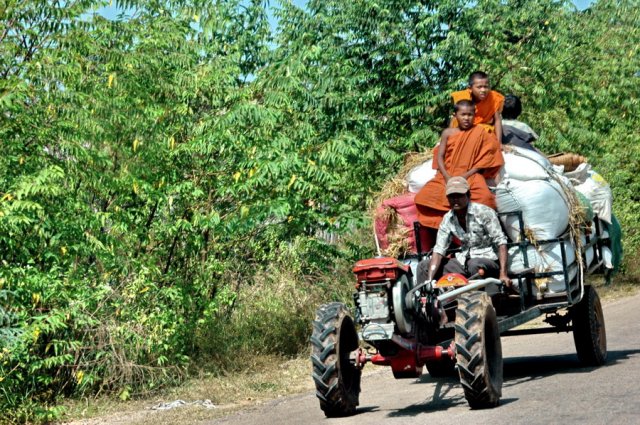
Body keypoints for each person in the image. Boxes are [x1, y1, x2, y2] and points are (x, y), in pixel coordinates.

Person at [415, 99, 504, 233]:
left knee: (484, 198)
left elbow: (485, 159)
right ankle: (447, 229)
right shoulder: (448, 133)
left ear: (474, 115)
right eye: (463, 114)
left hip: (471, 176)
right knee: (424, 196)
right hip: (447, 175)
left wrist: (465, 176)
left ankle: (476, 229)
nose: (466, 118)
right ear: (455, 115)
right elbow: (440, 156)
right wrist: (447, 176)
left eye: (470, 115)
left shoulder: (481, 133)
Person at [417, 177, 511, 289]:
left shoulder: (483, 212)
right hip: (463, 262)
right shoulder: (448, 218)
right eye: (452, 196)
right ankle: (426, 297)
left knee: (474, 264)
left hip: (487, 261)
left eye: (459, 196)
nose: (455, 200)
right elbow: (439, 250)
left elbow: (501, 242)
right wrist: (429, 281)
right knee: (423, 266)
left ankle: (479, 298)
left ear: (468, 195)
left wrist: (503, 274)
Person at [450, 71, 504, 142]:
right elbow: (454, 119)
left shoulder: (493, 98)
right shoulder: (462, 97)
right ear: (470, 88)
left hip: (483, 131)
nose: (483, 90)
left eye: (486, 87)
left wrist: (498, 143)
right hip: (463, 130)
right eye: (479, 87)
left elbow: (497, 120)